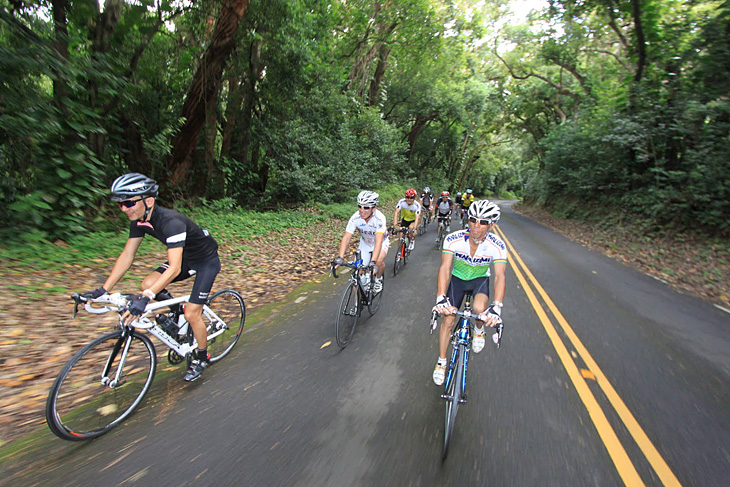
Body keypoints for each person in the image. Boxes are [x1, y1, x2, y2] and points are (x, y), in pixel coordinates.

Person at [81, 173, 221, 382]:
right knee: (147, 282)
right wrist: (103, 289)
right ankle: (176, 315)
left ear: (149, 201)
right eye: (120, 204)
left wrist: (146, 297)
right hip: (185, 258)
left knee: (192, 314)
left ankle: (202, 356)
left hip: (205, 261)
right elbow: (128, 255)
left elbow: (173, 269)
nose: (123, 208)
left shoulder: (171, 222)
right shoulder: (139, 220)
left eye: (128, 203)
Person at [432, 200, 507, 386]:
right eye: (473, 219)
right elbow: (445, 267)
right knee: (448, 319)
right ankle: (441, 362)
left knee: (480, 308)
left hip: (479, 281)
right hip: (457, 281)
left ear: (492, 224)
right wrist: (441, 297)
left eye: (483, 222)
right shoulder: (453, 239)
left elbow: (499, 276)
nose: (476, 225)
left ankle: (479, 330)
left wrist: (497, 306)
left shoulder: (497, 245)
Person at [334, 191, 389, 293]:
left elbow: (378, 241)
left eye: (366, 208)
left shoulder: (380, 218)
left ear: (374, 208)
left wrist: (373, 262)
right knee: (357, 273)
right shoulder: (355, 217)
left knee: (378, 261)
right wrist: (340, 257)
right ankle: (356, 306)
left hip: (381, 242)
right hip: (365, 243)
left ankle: (378, 279)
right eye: (360, 206)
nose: (362, 210)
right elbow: (347, 237)